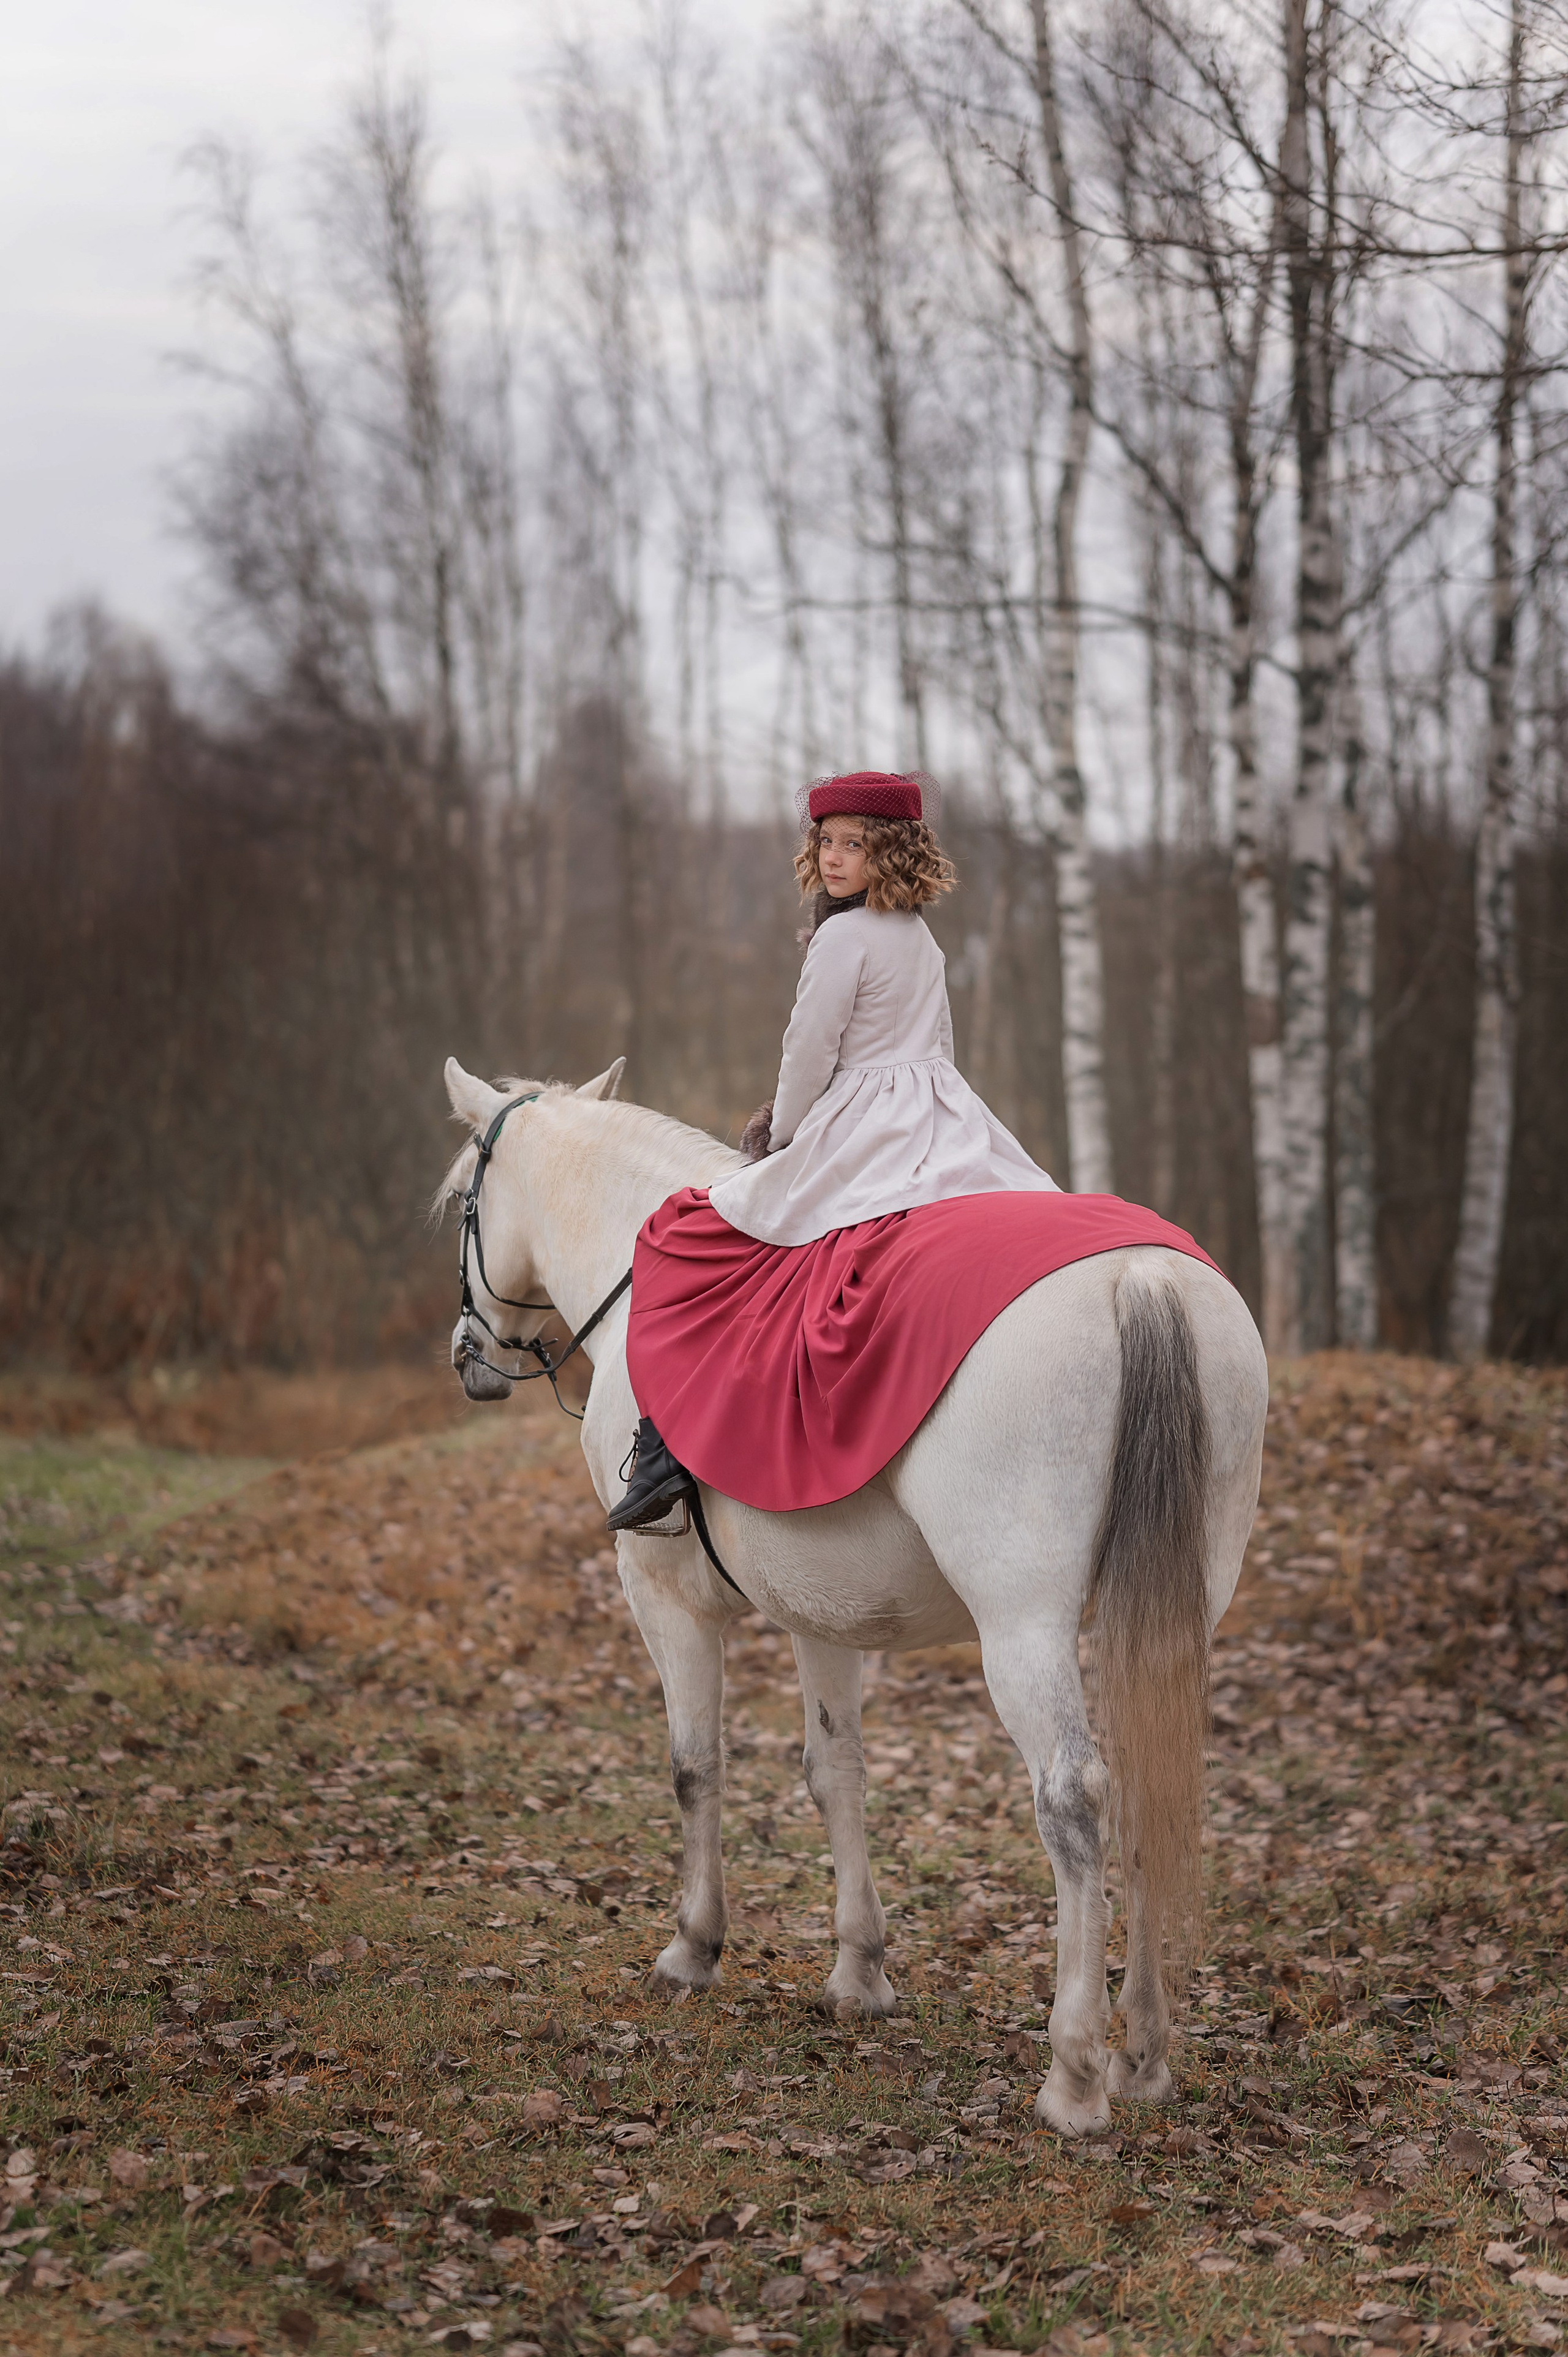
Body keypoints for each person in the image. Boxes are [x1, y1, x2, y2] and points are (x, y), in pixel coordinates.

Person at [607, 769, 1058, 1533]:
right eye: (826, 840)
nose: (835, 857)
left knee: (700, 1240)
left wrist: (778, 1139)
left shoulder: (842, 936)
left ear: (891, 851)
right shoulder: (918, 935)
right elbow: (938, 1045)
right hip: (939, 1113)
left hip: (860, 1116)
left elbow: (808, 1051)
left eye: (856, 843)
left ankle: (668, 1453)